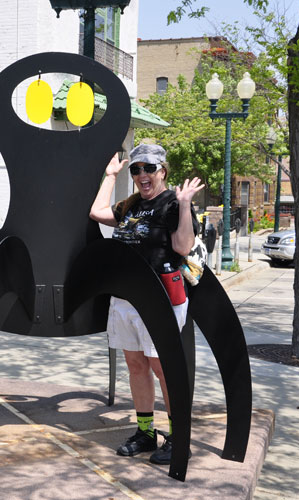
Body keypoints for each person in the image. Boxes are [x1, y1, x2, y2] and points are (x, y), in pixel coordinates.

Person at [89, 143, 204, 464]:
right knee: (136, 366)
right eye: (136, 169)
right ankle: (145, 432)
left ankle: (179, 437)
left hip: (162, 297)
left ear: (163, 171)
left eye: (149, 168)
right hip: (126, 298)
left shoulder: (171, 204)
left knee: (162, 369)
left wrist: (184, 206)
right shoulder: (131, 205)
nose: (142, 175)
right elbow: (97, 213)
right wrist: (111, 176)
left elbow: (182, 246)